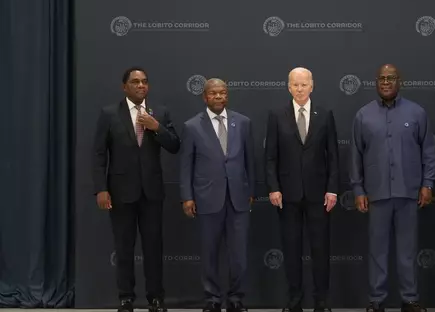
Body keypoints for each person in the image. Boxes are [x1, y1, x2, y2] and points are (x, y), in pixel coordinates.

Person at [93, 67, 181, 312]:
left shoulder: (159, 112)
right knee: (124, 247)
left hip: (152, 193)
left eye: (144, 82)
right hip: (120, 192)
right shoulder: (109, 114)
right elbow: (99, 154)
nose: (141, 85)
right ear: (125, 87)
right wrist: (101, 188)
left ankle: (156, 298)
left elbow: (175, 145)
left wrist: (156, 127)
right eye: (135, 82)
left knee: (154, 247)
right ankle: (125, 298)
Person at [350, 64, 435, 312]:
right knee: (377, 250)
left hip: (408, 194)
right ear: (376, 82)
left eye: (390, 78)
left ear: (400, 82)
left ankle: (410, 298)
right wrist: (358, 190)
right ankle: (376, 299)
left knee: (407, 250)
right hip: (376, 195)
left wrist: (427, 184)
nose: (386, 82)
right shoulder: (363, 115)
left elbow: (428, 152)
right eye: (381, 79)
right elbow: (355, 155)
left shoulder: (416, 113)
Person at [265, 67, 339, 312]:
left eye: (303, 84)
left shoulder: (325, 114)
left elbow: (334, 157)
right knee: (292, 250)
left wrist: (332, 189)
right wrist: (273, 187)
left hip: (320, 195)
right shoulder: (277, 115)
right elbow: (270, 158)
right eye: (295, 85)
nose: (299, 89)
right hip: (287, 195)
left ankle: (322, 301)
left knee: (320, 251)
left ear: (312, 86)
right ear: (288, 87)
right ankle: (294, 301)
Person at [179, 78, 255, 312]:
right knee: (209, 253)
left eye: (223, 93)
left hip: (238, 199)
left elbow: (250, 161)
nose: (219, 97)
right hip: (206, 199)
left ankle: (236, 299)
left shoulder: (243, 123)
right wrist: (187, 196)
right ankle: (212, 299)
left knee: (239, 255)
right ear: (205, 97)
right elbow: (185, 165)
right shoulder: (192, 126)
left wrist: (250, 191)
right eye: (214, 93)